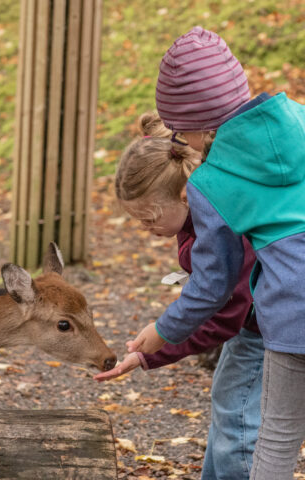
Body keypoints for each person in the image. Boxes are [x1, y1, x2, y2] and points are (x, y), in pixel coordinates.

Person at [126, 26, 305, 479]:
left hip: (290, 316)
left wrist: (163, 331)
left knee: (276, 442)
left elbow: (212, 288)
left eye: (181, 132)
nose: (181, 141)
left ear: (201, 125)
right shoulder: (300, 120)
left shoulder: (210, 183)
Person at [95, 112, 264, 479]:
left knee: (237, 420)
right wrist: (148, 351)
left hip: (267, 326)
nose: (147, 228)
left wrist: (159, 342)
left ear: (185, 193)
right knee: (229, 404)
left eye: (152, 217)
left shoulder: (217, 230)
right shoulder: (197, 220)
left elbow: (222, 310)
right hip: (253, 325)